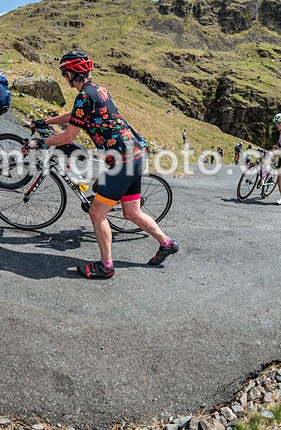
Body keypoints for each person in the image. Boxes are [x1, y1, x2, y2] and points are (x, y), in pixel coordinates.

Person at [24, 51, 179, 279]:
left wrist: (38, 142)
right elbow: (75, 115)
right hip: (135, 154)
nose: (65, 78)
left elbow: (68, 137)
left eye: (65, 74)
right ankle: (167, 244)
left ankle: (106, 267)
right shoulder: (98, 90)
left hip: (121, 162)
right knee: (132, 212)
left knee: (97, 212)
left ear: (70, 74)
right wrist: (47, 121)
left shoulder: (84, 96)